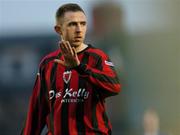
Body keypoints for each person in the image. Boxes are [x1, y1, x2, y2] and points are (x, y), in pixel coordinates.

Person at [21, 3, 121, 135]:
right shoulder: (48, 63)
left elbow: (114, 86)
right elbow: (36, 112)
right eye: (72, 24)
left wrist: (79, 67)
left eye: (83, 24)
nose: (79, 29)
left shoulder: (97, 57)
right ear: (58, 29)